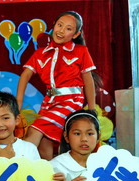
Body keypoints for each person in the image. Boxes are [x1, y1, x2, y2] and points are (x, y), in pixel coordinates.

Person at [16, 11, 96, 160]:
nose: (61, 30)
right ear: (54, 25)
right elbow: (25, 75)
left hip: (71, 101)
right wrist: (18, 103)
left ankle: (17, 165)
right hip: (49, 101)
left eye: (68, 28)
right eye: (60, 25)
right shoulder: (40, 53)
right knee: (44, 141)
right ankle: (48, 176)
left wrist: (91, 109)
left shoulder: (80, 51)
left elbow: (88, 80)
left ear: (75, 34)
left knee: (34, 130)